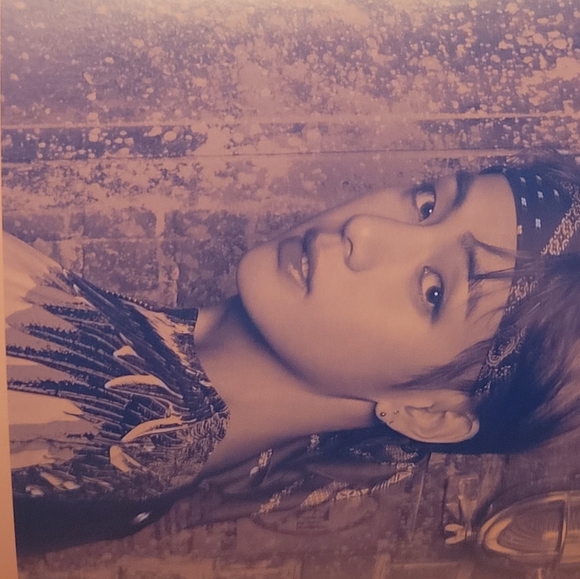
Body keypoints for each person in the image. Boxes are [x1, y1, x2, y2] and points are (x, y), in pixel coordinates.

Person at [6, 149, 580, 550]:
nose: (366, 229)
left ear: (429, 412)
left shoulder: (122, 430)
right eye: (427, 204)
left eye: (434, 290)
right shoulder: (146, 420)